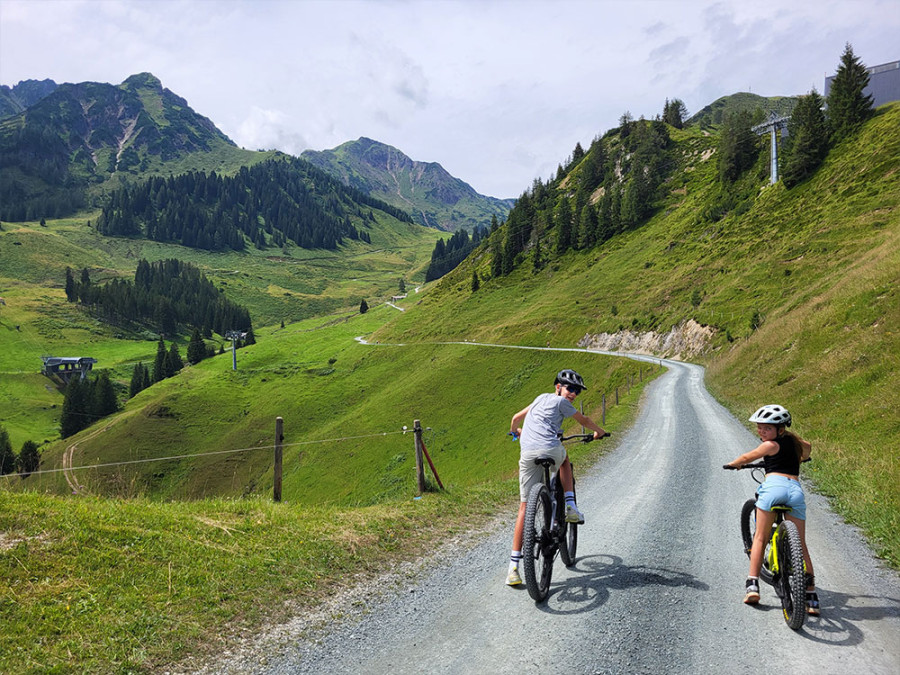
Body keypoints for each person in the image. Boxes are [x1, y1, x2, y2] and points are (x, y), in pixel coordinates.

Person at [506, 369, 608, 586]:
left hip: (527, 453)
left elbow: (515, 418)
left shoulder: (539, 398)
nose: (573, 393)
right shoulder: (562, 404)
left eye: (577, 391)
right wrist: (599, 431)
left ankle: (513, 568)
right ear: (558, 387)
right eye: (569, 388)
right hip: (550, 449)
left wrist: (516, 432)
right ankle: (570, 506)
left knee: (524, 507)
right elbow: (585, 419)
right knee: (563, 458)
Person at [724, 404, 818, 615]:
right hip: (794, 491)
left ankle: (753, 585)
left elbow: (749, 457)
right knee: (801, 544)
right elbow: (807, 448)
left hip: (773, 488)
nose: (761, 432)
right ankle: (811, 596)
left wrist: (734, 464)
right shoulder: (795, 443)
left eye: (766, 428)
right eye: (759, 427)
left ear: (780, 429)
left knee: (760, 537)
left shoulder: (769, 446)